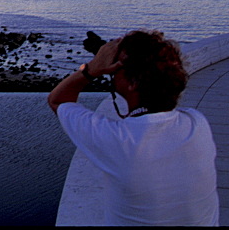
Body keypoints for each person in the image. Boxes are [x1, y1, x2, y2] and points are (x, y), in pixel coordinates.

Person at [47, 30, 219, 226]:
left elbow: (57, 100)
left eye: (117, 68)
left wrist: (91, 69)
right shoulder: (197, 124)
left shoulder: (118, 141)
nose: (112, 71)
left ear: (133, 82)